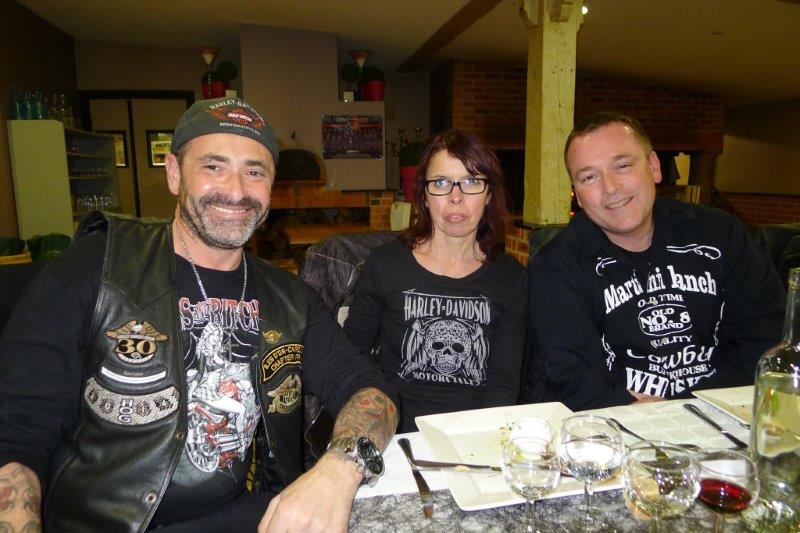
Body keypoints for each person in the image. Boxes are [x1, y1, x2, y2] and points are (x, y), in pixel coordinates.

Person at [0, 97, 398, 532]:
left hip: (248, 518)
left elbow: (368, 389)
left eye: (254, 172)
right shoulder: (94, 269)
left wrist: (338, 469)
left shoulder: (289, 298)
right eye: (213, 166)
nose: (237, 190)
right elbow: (18, 435)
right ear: (174, 173)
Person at [521, 111, 785, 411]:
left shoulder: (721, 234)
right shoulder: (557, 265)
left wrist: (689, 406)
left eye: (622, 165)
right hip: (622, 421)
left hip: (725, 412)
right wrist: (651, 415)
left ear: (654, 166)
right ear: (578, 196)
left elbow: (766, 336)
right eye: (589, 177)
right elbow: (575, 379)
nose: (610, 187)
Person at [343, 130, 528, 432]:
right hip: (396, 434)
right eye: (441, 183)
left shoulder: (511, 278)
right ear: (425, 197)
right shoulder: (385, 264)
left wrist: (482, 442)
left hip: (475, 435)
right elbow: (351, 357)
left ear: (489, 195)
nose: (456, 197)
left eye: (471, 181)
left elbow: (503, 381)